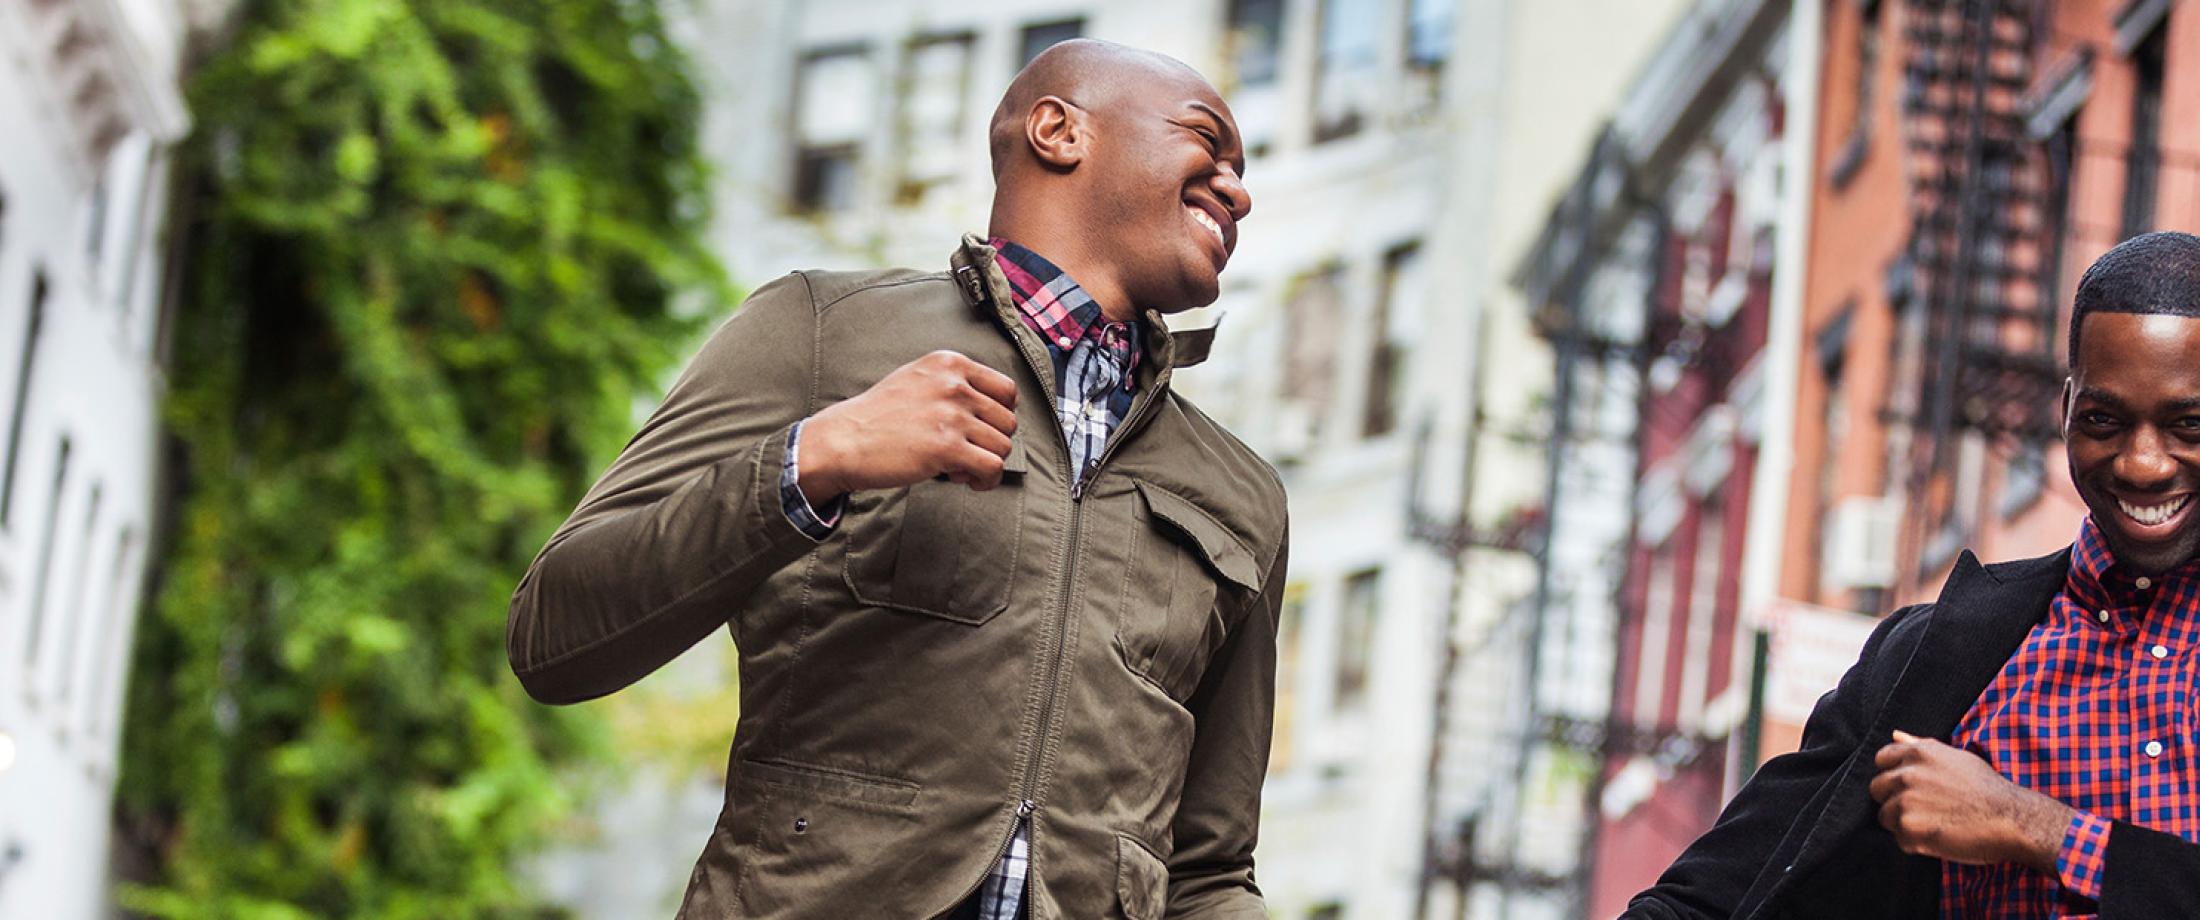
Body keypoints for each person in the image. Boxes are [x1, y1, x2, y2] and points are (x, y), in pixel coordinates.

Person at [506, 39, 1287, 920]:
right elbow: (554, 635)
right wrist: (816, 457)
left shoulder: (1243, 497)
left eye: (1243, 170)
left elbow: (1209, 872)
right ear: (1058, 131)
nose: (1238, 191)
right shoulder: (820, 333)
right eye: (1207, 142)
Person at [1621, 231, 2200, 919]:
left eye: (2188, 425)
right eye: (2104, 420)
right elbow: (1713, 898)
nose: (2142, 463)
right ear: (2067, 409)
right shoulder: (1935, 658)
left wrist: (2034, 827)